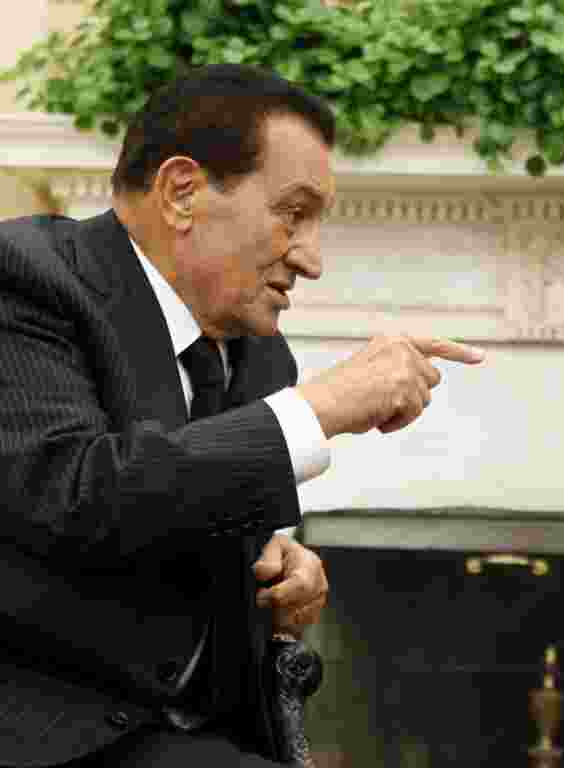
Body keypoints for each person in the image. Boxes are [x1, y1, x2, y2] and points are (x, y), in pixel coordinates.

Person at [0, 64, 483, 767]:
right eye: (293, 213)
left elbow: (174, 521)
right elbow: (76, 492)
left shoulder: (257, 356)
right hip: (52, 733)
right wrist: (318, 409)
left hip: (198, 734)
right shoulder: (28, 280)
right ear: (182, 192)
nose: (312, 260)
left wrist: (274, 574)